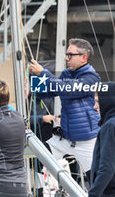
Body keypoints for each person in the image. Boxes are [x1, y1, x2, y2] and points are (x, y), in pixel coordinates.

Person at [28, 38, 100, 177]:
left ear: (83, 58)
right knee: (36, 161)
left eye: (70, 55)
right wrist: (36, 77)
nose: (67, 58)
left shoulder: (91, 77)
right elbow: (48, 92)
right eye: (66, 54)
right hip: (65, 138)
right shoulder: (67, 73)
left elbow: (68, 90)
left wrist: (44, 73)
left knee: (96, 184)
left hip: (87, 142)